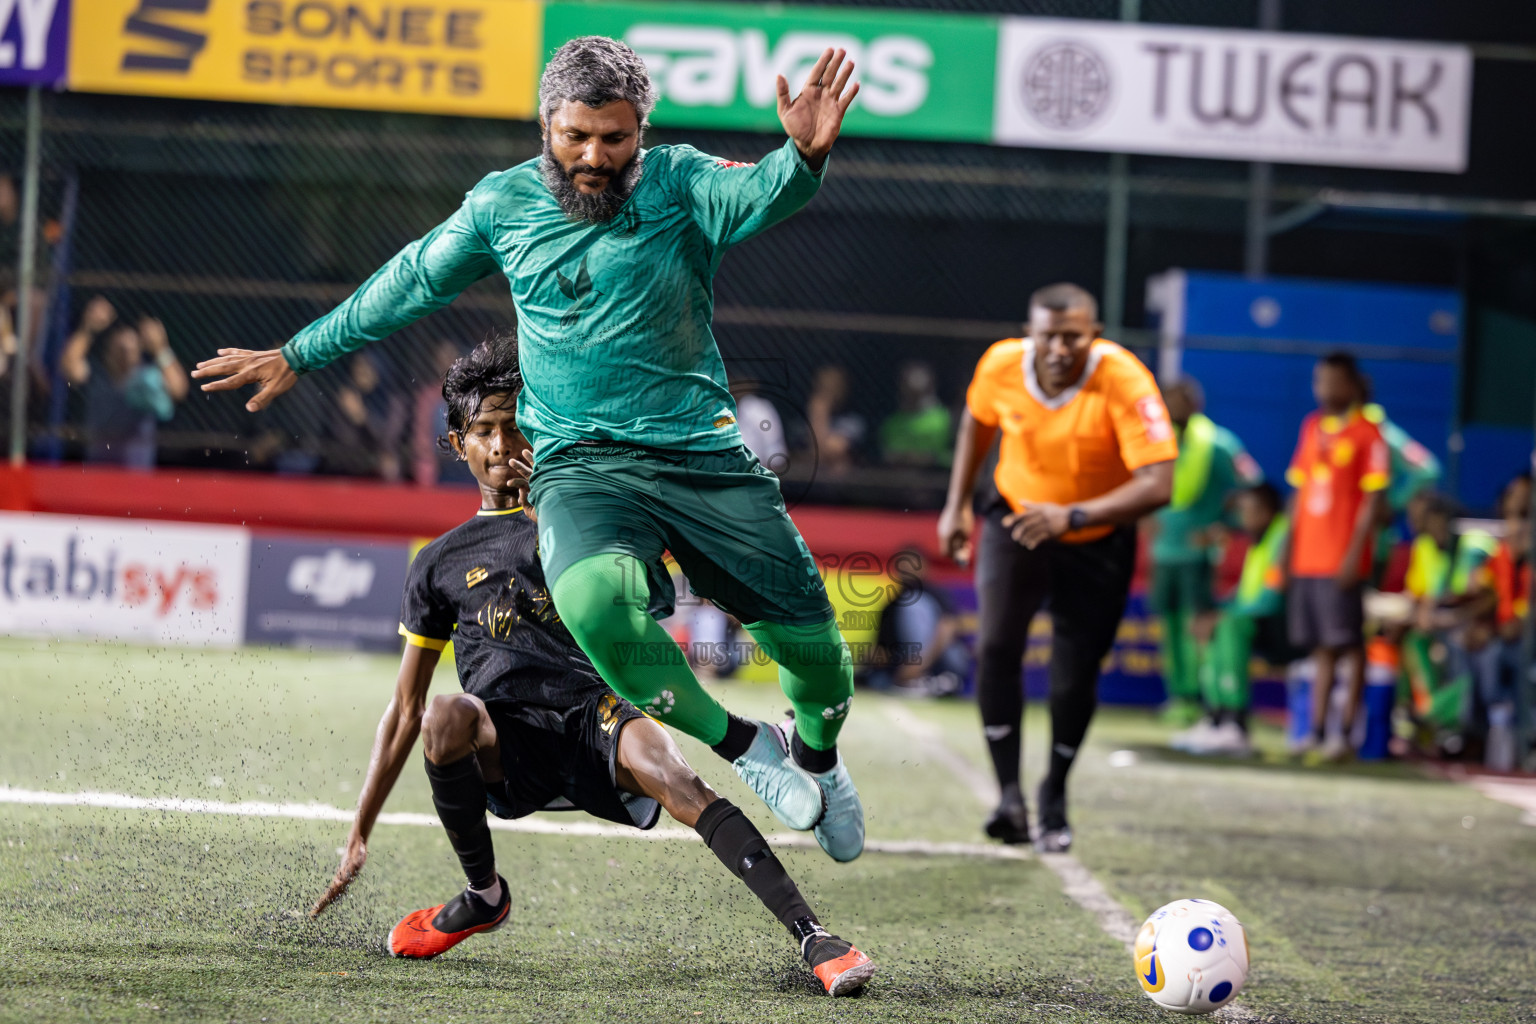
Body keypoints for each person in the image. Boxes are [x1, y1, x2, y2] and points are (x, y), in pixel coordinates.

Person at [194, 38, 866, 861]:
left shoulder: (682, 181)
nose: (594, 157)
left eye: (614, 139)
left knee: (822, 665)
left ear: (642, 131)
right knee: (592, 603)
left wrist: (802, 157)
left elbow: (758, 192)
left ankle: (818, 758)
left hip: (704, 458)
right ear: (546, 123)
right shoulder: (501, 205)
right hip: (583, 465)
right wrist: (301, 352)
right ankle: (747, 745)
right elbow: (413, 279)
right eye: (575, 135)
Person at [308, 338, 874, 995]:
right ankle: (483, 894)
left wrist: (552, 506)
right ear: (458, 444)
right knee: (443, 713)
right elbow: (406, 708)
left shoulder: (586, 520)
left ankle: (814, 937)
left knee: (680, 780)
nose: (501, 444)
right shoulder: (438, 561)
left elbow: (649, 598)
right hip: (506, 739)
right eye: (484, 431)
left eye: (513, 424)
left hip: (595, 714)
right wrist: (359, 832)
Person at [937, 283, 1175, 851]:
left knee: (1075, 672)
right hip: (1016, 520)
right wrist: (957, 503)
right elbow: (977, 422)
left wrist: (1072, 516)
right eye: (1048, 336)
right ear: (1031, 333)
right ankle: (1008, 798)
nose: (1059, 348)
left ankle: (1055, 793)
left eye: (1073, 337)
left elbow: (1158, 484)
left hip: (1095, 537)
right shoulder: (1001, 364)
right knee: (996, 647)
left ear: (1094, 334)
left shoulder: (1124, 377)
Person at [1284, 352, 1391, 762]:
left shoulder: (1368, 432)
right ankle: (1315, 730)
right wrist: (1288, 550)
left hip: (1341, 558)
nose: (1324, 389)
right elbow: (1299, 492)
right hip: (1308, 557)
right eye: (1319, 380)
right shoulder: (1312, 426)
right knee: (1321, 648)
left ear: (1351, 385)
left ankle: (1346, 733)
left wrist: (1354, 555)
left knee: (1349, 644)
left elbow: (1373, 500)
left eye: (1332, 381)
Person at [1149, 376, 1263, 735]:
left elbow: (1253, 487)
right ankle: (1178, 696)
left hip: (1198, 556)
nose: (1173, 406)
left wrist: (1224, 525)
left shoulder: (1218, 444)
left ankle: (1203, 697)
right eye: (1168, 399)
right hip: (1163, 552)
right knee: (1169, 626)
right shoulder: (1156, 442)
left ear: (1196, 403)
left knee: (1196, 627)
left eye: (1181, 399)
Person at [1177, 483, 1296, 757]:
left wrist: (1224, 614)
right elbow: (1245, 595)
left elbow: (1271, 598)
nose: (1243, 517)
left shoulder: (1282, 537)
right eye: (1241, 511)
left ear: (1267, 511)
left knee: (1227, 625)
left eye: (1249, 511)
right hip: (1255, 617)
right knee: (1207, 624)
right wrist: (1216, 612)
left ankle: (1235, 723)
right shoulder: (1258, 539)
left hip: (1282, 624)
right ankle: (1215, 718)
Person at [60, 295, 188, 468]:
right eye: (120, 350)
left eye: (130, 350)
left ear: (138, 353)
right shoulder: (97, 376)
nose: (125, 355)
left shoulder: (148, 378)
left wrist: (160, 349)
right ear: (108, 351)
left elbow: (178, 390)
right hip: (97, 471)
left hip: (137, 476)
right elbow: (69, 366)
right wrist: (88, 329)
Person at [861, 548, 969, 696]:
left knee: (913, 605)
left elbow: (948, 627)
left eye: (912, 563)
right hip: (902, 667)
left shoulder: (935, 594)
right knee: (876, 679)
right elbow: (882, 648)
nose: (907, 568)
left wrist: (919, 664)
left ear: (924, 566)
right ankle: (919, 683)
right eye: (902, 564)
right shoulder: (891, 606)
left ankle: (931, 680)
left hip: (939, 660)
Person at [881, 361, 952, 468]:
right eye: (908, 388)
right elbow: (889, 453)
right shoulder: (892, 422)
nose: (912, 394)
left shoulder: (944, 418)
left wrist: (927, 458)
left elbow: (945, 454)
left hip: (936, 473)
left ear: (931, 386)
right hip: (896, 474)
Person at [804, 364, 867, 476]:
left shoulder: (853, 422)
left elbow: (822, 454)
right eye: (824, 386)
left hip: (839, 482)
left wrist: (819, 413)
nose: (829, 392)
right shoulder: (800, 424)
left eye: (834, 386)